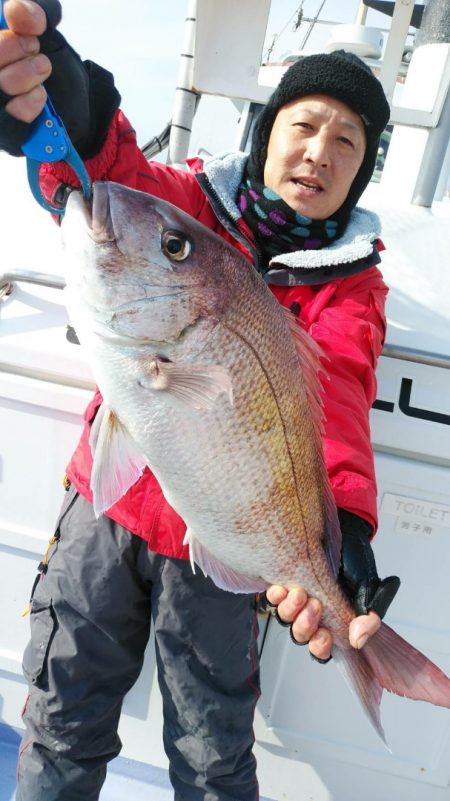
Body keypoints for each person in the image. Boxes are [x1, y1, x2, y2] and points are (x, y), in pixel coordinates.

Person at [0, 2, 401, 799]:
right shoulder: (184, 202)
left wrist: (345, 525)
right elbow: (109, 178)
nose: (320, 152)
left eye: (347, 142)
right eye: (304, 124)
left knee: (213, 749)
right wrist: (70, 108)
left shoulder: (350, 285)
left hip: (225, 549)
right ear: (265, 131)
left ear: (361, 171)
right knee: (61, 717)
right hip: (104, 522)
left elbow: (342, 394)